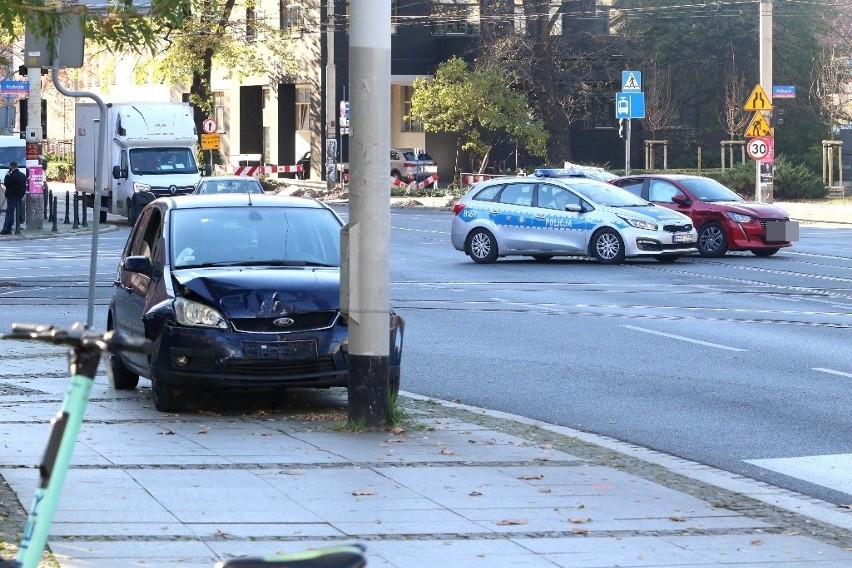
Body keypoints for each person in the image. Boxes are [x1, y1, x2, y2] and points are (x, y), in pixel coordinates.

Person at [1, 161, 27, 235]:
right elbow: (24, 186)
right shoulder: (22, 175)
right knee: (19, 212)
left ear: (11, 167)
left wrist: (7, 175)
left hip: (12, 196)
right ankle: (18, 227)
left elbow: (6, 183)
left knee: (9, 212)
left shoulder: (12, 176)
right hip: (20, 196)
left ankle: (7, 228)